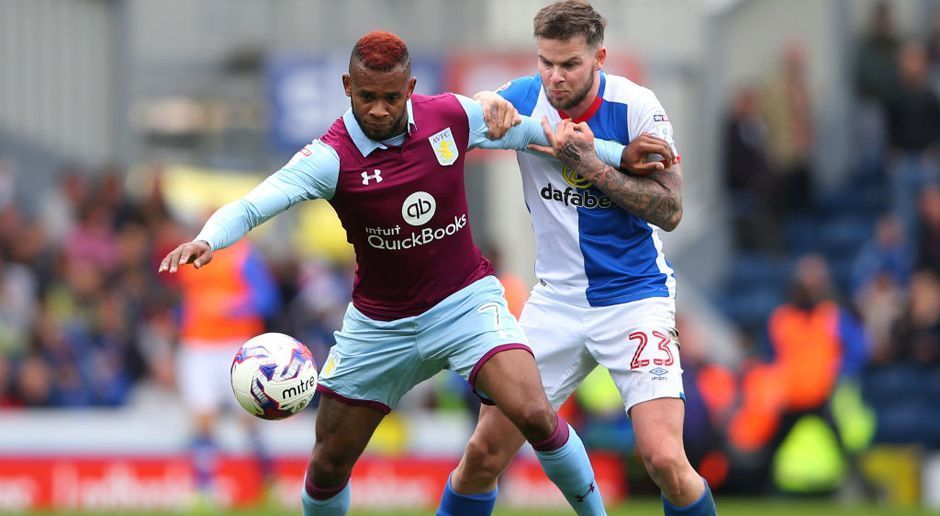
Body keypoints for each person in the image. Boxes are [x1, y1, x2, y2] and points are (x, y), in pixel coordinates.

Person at [159, 30, 630, 516]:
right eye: (367, 97)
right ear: (347, 86)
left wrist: (619, 158)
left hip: (466, 302)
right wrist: (208, 239)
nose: (379, 109)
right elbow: (256, 203)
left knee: (536, 414)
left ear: (410, 88)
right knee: (327, 465)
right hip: (380, 327)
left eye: (390, 97)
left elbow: (543, 137)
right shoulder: (330, 157)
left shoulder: (451, 116)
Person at [440, 2, 717, 515]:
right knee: (481, 454)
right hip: (555, 303)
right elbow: (463, 115)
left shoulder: (637, 107)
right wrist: (484, 101)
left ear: (599, 58)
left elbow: (671, 209)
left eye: (569, 64)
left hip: (634, 298)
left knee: (665, 461)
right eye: (546, 62)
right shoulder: (525, 98)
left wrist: (591, 163)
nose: (555, 76)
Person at [174, 236, 280, 501]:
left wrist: (234, 308)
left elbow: (268, 298)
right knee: (202, 419)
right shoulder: (188, 255)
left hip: (235, 347)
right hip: (197, 346)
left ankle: (268, 480)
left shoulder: (243, 255)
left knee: (249, 418)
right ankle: (203, 491)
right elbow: (186, 300)